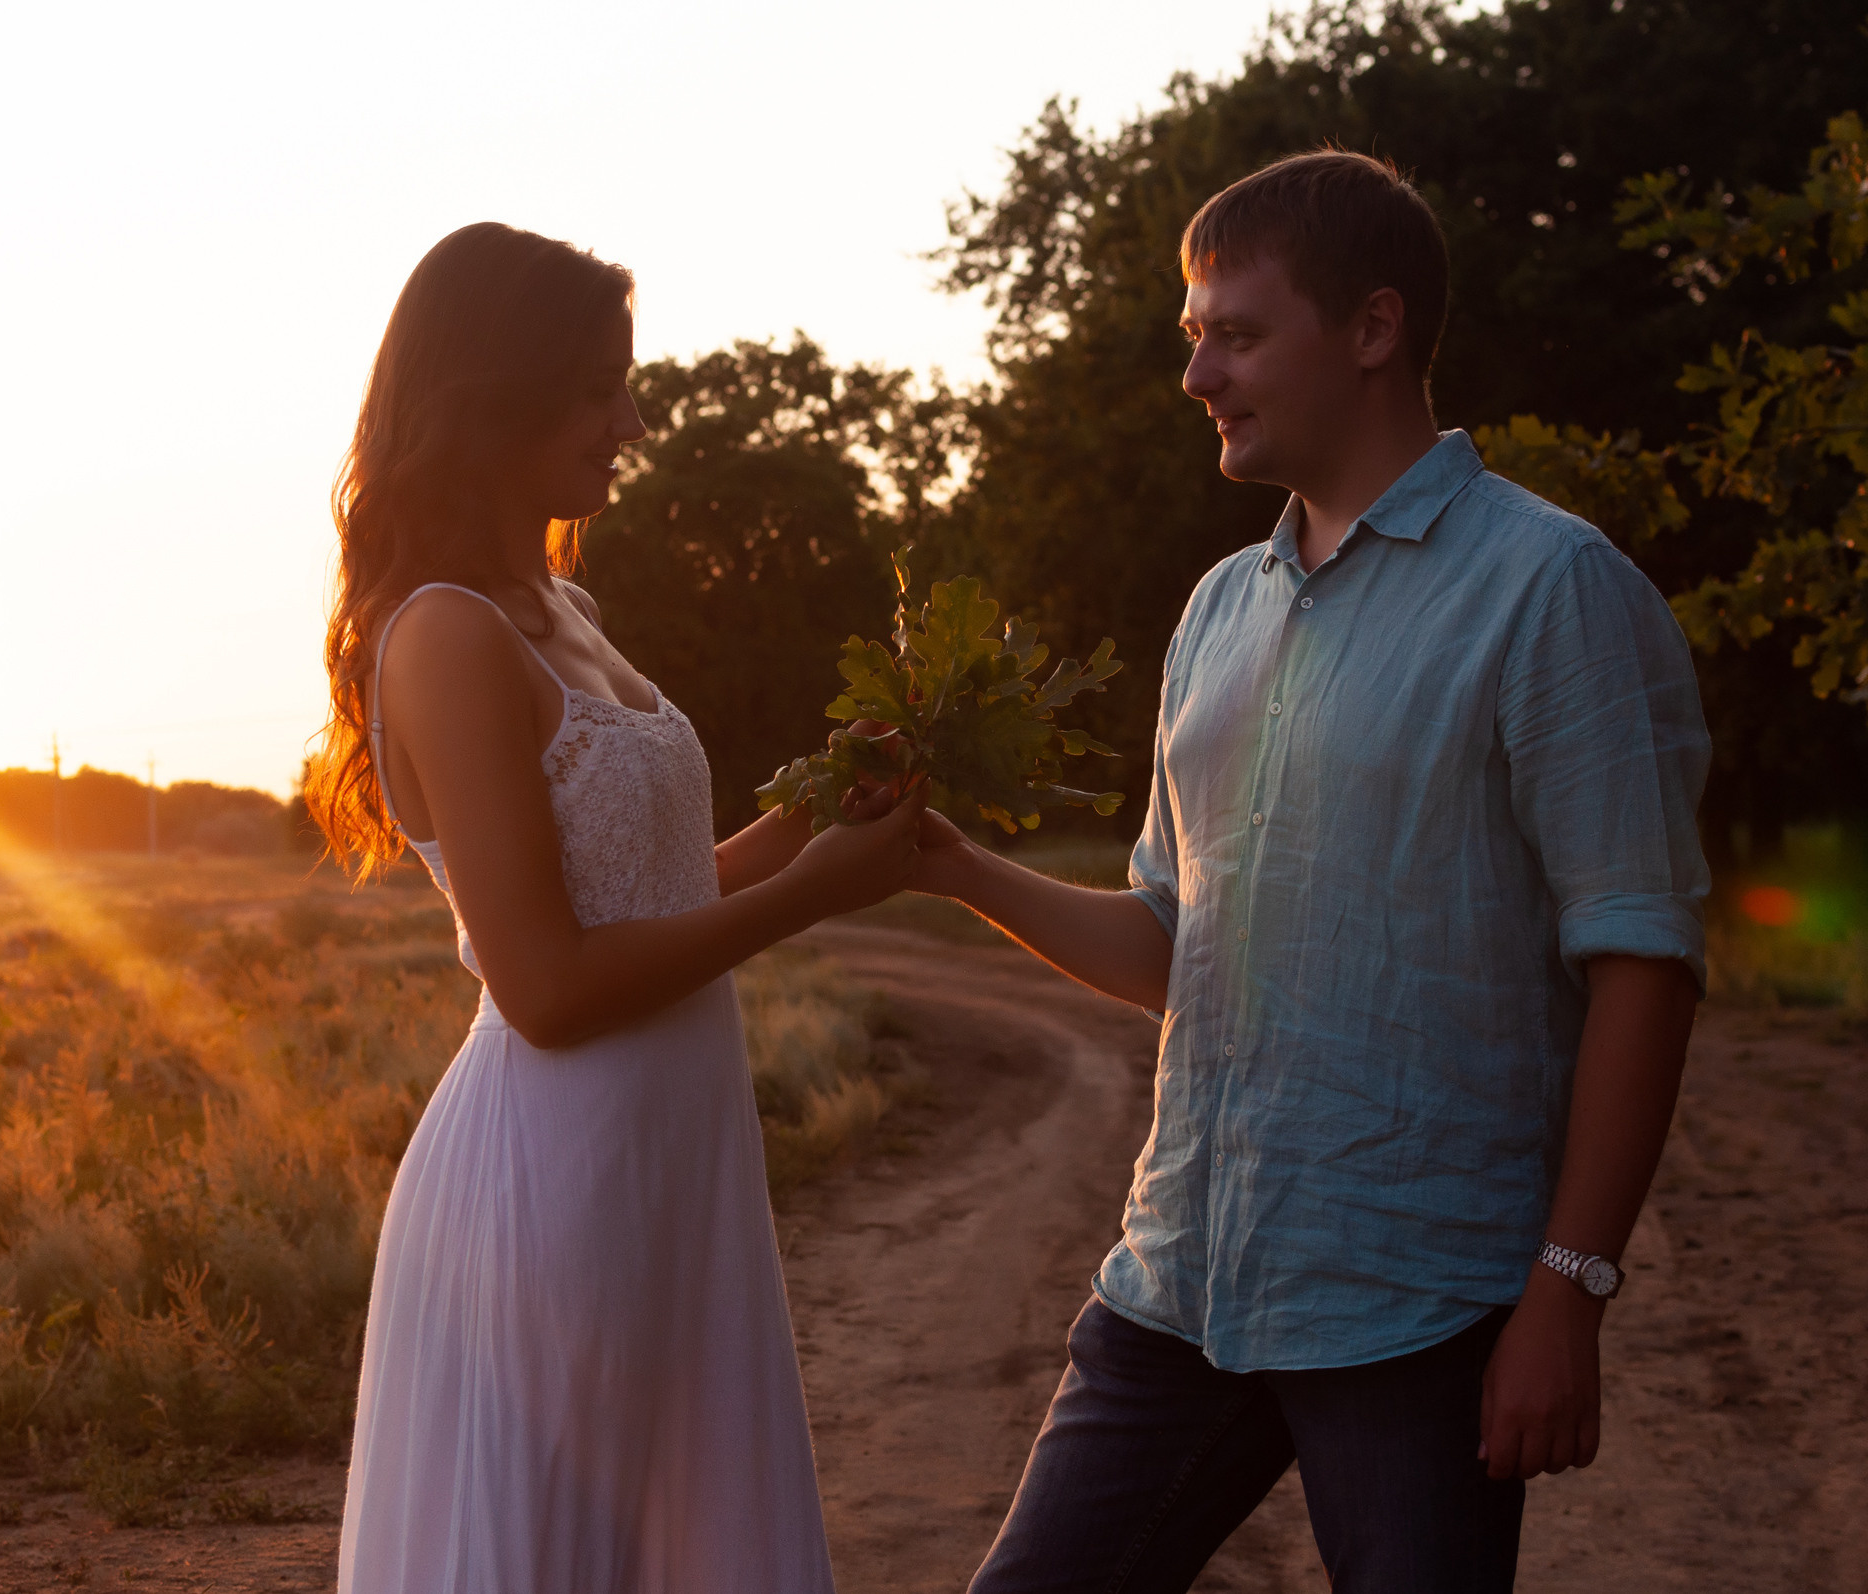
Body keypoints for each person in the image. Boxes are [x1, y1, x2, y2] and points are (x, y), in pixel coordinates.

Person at [907, 152, 1711, 1591]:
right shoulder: (1220, 607)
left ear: (1374, 328)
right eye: (1192, 336)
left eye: (1237, 332)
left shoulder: (1550, 588)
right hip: (1182, 1281)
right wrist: (953, 864)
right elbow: (1173, 941)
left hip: (1421, 1301)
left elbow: (1643, 958)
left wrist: (1568, 1290)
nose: (1199, 371)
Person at [310, 222, 922, 1594]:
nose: (632, 420)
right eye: (599, 386)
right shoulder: (448, 632)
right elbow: (549, 983)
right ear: (490, 398)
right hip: (551, 1192)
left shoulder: (561, 602)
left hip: (669, 1171)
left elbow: (658, 889)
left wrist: (823, 812)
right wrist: (812, 897)